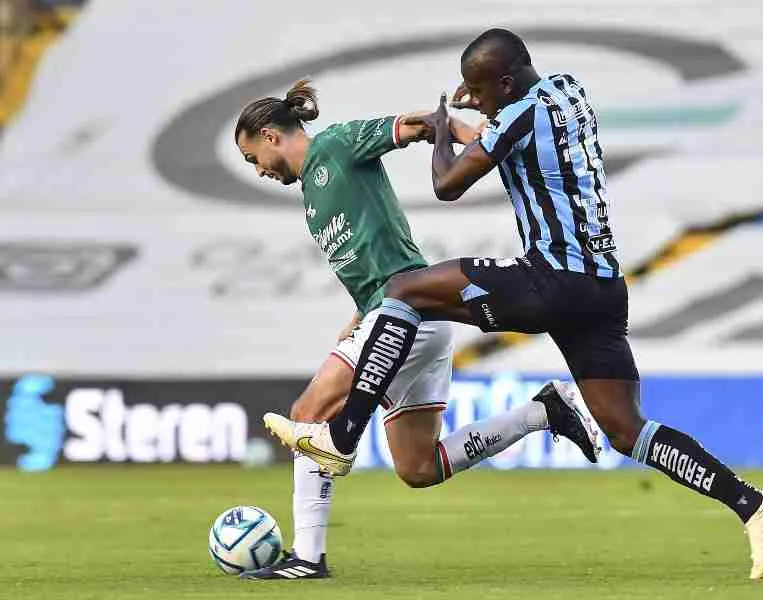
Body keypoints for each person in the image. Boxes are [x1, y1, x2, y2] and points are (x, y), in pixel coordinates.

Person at [271, 31, 763, 581]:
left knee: (404, 290)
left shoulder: (516, 114)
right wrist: (486, 103)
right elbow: (519, 113)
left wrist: (445, 116)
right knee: (625, 428)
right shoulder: (570, 92)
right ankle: (753, 505)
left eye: (481, 90)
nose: (478, 100)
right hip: (601, 289)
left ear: (503, 83)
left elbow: (447, 184)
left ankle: (342, 434)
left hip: (550, 279)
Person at [232, 78, 600, 580]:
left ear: (271, 136)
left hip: (407, 319)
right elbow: (383, 258)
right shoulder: (313, 193)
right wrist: (361, 314)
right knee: (419, 467)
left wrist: (467, 134)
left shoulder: (337, 145)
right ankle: (543, 412)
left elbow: (419, 125)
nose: (259, 170)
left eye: (254, 157)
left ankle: (306, 558)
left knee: (308, 413)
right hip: (412, 322)